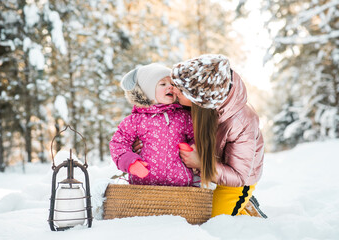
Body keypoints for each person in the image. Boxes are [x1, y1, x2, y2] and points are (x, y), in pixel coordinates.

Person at [171, 54, 266, 217]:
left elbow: (238, 176)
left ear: (200, 98)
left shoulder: (242, 122)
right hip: (206, 172)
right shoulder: (193, 107)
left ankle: (244, 206)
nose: (173, 90)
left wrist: (202, 164)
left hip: (235, 182)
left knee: (216, 219)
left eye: (181, 89)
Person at [109, 63, 195, 186]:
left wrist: (192, 149)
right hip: (144, 184)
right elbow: (118, 143)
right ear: (148, 91)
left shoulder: (184, 117)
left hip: (180, 185)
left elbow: (196, 137)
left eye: (172, 84)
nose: (170, 87)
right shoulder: (136, 120)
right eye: (163, 84)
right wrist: (131, 163)